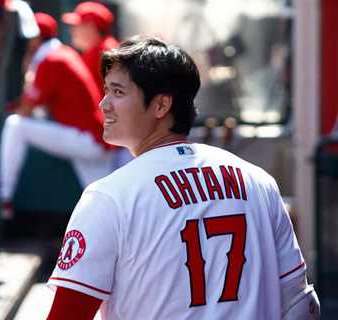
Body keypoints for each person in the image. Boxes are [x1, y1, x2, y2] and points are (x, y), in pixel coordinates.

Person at [46, 36, 320, 320]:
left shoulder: (109, 196)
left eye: (117, 92)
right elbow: (301, 306)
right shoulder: (259, 181)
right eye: (106, 91)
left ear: (162, 105)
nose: (103, 104)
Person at [0, 13, 114, 219]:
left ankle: (4, 196)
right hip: (95, 137)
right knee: (107, 205)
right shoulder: (63, 53)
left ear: (36, 39)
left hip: (88, 138)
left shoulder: (52, 59)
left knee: (16, 125)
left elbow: (25, 109)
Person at [62, 1, 118, 96]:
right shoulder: (106, 46)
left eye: (77, 26)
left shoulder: (100, 52)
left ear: (90, 27)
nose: (72, 31)